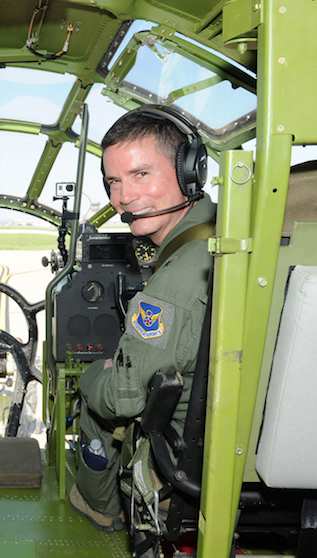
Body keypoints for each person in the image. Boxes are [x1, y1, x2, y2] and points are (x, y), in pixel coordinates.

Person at [69, 106, 216, 532]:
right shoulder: (227, 235)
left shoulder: (177, 281)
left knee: (99, 391)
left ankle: (100, 505)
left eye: (141, 175)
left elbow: (122, 399)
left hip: (187, 450)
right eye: (114, 181)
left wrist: (93, 374)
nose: (123, 198)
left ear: (190, 172)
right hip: (236, 436)